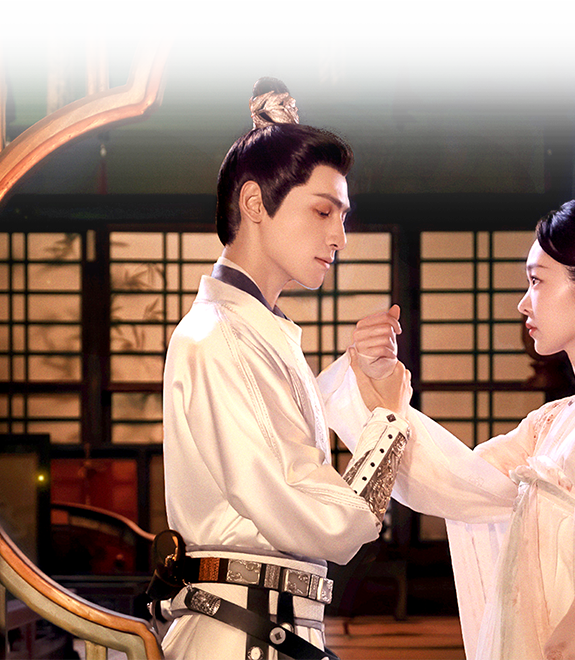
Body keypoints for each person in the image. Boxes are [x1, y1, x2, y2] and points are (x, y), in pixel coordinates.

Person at [319, 158, 575, 660]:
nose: (523, 303)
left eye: (537, 281)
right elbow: (458, 482)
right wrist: (379, 388)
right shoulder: (561, 418)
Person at [160, 77, 416, 660]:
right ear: (254, 203)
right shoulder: (221, 337)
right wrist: (388, 418)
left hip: (264, 627)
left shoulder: (254, 331)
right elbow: (326, 521)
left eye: (343, 216)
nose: (340, 237)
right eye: (323, 211)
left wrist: (361, 376)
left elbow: (286, 454)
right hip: (243, 635)